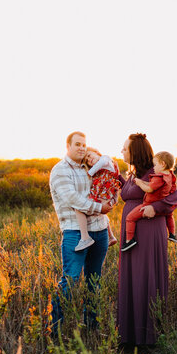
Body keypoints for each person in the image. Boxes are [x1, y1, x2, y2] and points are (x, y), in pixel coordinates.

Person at [117, 133, 177, 346]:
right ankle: (130, 334)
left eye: (125, 148)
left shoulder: (156, 172)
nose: (122, 152)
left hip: (148, 230)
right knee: (132, 277)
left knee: (145, 276)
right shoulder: (133, 173)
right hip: (132, 230)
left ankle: (148, 334)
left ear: (135, 151)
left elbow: (174, 198)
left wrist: (155, 207)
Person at [49, 131, 114, 331]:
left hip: (100, 230)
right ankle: (55, 328)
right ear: (67, 146)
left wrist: (112, 198)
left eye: (84, 145)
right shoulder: (60, 170)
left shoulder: (90, 167)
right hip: (75, 233)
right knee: (70, 280)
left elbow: (105, 187)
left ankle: (92, 326)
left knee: (94, 281)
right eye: (77, 144)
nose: (81, 148)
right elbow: (72, 199)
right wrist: (99, 208)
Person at [120, 150, 177, 251]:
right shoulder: (169, 176)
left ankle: (129, 240)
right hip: (152, 208)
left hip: (147, 208)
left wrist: (140, 184)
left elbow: (150, 189)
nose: (154, 167)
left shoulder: (157, 175)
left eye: (125, 149)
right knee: (170, 216)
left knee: (130, 218)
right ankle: (172, 234)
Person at [74, 147, 121, 251]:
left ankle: (85, 237)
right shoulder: (100, 169)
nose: (89, 159)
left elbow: (101, 164)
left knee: (78, 207)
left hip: (104, 194)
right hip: (103, 195)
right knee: (101, 213)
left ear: (96, 152)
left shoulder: (105, 159)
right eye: (86, 160)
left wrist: (89, 172)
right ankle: (111, 236)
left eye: (89, 155)